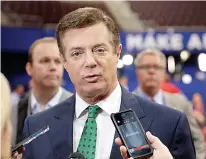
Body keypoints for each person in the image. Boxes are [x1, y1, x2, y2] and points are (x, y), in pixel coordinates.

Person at [22, 7, 195, 159]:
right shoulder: (36, 127)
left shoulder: (170, 123)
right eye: (76, 53)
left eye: (99, 50)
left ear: (117, 52)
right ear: (64, 61)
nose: (89, 61)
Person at [133, 48, 205, 159]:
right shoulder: (126, 103)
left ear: (163, 73)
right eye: (146, 67)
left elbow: (196, 139)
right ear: (137, 72)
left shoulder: (181, 103)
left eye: (157, 67)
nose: (151, 71)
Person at [12, 37, 73, 145]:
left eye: (58, 61)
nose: (53, 67)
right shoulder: (13, 112)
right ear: (29, 68)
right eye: (45, 61)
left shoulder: (79, 108)